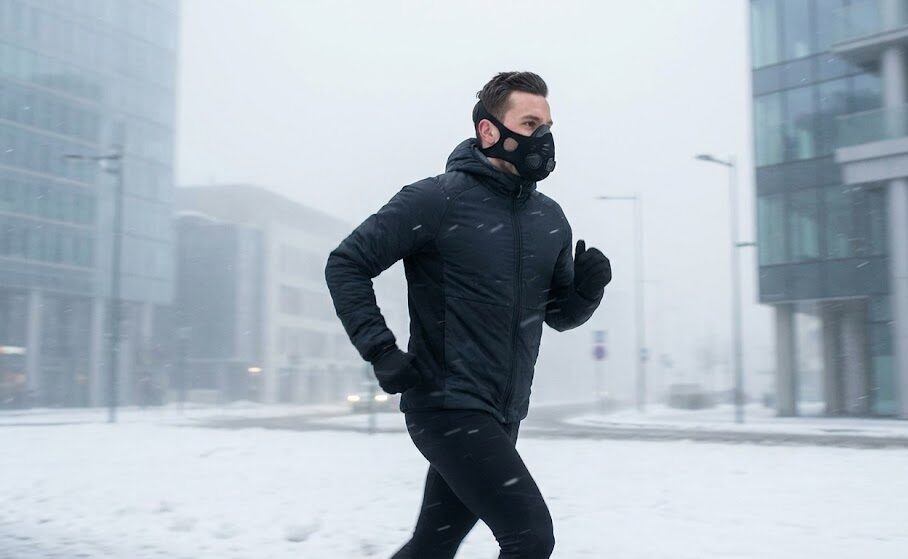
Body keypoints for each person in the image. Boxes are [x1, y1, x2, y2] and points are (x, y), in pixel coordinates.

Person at [325, 71, 611, 559]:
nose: (543, 137)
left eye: (547, 125)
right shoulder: (437, 199)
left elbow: (558, 317)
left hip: (504, 413)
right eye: (529, 122)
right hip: (444, 404)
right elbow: (347, 263)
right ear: (489, 131)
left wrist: (586, 291)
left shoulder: (551, 220)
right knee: (530, 536)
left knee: (432, 546)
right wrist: (380, 350)